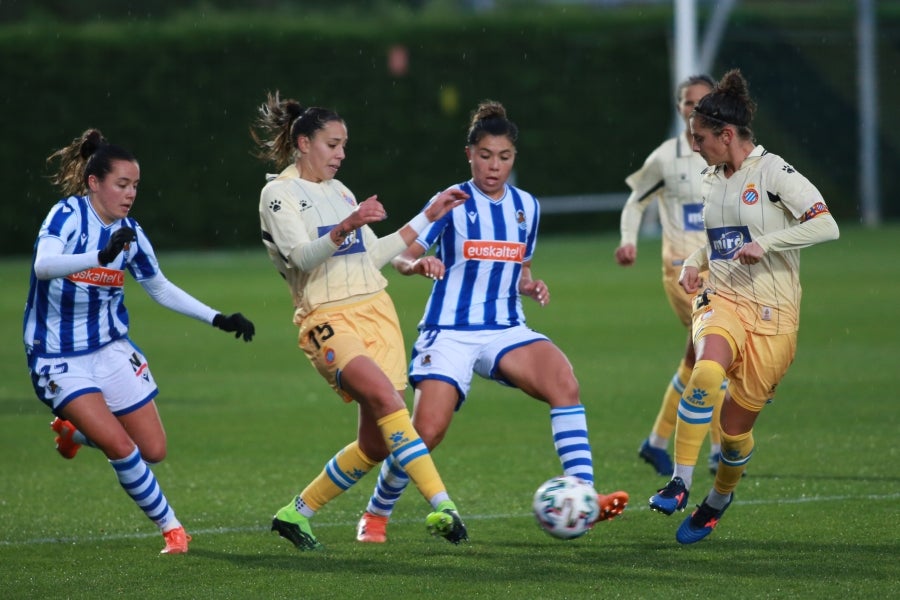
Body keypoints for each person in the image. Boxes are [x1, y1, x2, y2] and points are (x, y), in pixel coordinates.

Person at [354, 100, 629, 544]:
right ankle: (376, 514)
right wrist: (418, 265)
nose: (493, 166)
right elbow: (402, 256)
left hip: (504, 329)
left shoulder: (527, 208)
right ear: (469, 154)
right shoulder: (452, 202)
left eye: (503, 157)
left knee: (564, 382)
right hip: (449, 332)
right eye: (485, 156)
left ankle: (584, 496)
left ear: (513, 158)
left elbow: (519, 269)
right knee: (426, 432)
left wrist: (530, 285)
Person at [252, 91, 470, 551]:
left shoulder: (341, 191)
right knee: (385, 397)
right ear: (303, 142)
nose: (341, 154)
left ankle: (297, 513)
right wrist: (346, 225)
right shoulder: (278, 194)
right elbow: (303, 257)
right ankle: (444, 504)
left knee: (375, 444)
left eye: (344, 145)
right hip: (326, 317)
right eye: (333, 144)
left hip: (376, 310)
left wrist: (427, 216)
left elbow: (373, 256)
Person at [24, 129, 256, 555]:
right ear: (94, 183)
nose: (130, 194)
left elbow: (160, 287)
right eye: (121, 184)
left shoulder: (129, 231)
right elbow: (43, 266)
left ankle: (71, 434)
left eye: (135, 186)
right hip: (58, 357)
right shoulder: (68, 215)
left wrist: (218, 318)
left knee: (154, 449)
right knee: (120, 446)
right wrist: (101, 257)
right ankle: (173, 529)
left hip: (111, 350)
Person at [667, 69, 839, 543]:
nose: (694, 146)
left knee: (734, 431)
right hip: (722, 298)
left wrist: (769, 243)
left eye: (700, 138)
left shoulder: (773, 172)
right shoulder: (710, 179)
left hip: (775, 318)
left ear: (727, 135)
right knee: (705, 372)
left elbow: (826, 225)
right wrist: (692, 260)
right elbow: (719, 243)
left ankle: (718, 499)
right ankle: (679, 481)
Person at [615, 75, 730, 483]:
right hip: (684, 277)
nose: (693, 108)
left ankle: (656, 442)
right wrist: (629, 240)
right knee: (718, 357)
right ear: (679, 107)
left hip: (725, 274)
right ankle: (720, 450)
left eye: (701, 101)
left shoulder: (727, 152)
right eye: (686, 102)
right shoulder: (666, 157)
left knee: (694, 360)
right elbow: (634, 201)